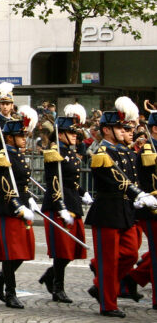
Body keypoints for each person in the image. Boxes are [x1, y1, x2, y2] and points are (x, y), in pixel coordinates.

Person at [86, 97, 157, 318]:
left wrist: (139, 196)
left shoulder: (125, 151)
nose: (125, 131)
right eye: (119, 128)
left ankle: (102, 285)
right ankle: (108, 304)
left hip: (125, 210)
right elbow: (119, 180)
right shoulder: (102, 154)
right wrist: (139, 194)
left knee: (129, 253)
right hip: (107, 211)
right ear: (107, 130)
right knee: (107, 260)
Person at [0, 106, 39, 309]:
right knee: (12, 253)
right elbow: (7, 186)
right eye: (20, 136)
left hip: (21, 205)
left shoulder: (16, 153)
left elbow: (21, 183)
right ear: (9, 138)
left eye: (24, 135)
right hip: (8, 209)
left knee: (24, 251)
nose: (24, 139)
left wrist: (30, 199)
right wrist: (19, 206)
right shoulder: (3, 156)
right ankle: (10, 293)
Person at [37, 104, 91, 303]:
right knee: (63, 250)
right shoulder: (55, 152)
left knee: (74, 250)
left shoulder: (70, 152)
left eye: (75, 132)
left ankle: (50, 276)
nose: (75, 135)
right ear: (61, 134)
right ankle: (57, 287)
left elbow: (72, 181)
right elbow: (54, 182)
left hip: (73, 204)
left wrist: (84, 193)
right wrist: (60, 206)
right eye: (70, 132)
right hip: (58, 205)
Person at [124, 110, 157, 310]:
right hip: (151, 209)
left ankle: (132, 278)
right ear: (155, 129)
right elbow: (146, 183)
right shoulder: (147, 150)